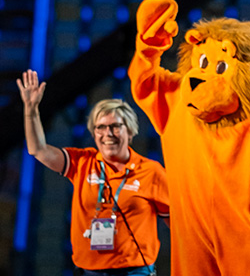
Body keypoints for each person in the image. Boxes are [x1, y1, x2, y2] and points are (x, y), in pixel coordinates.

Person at [17, 70, 169, 276]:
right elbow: (38, 150)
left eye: (115, 127)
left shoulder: (151, 171)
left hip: (135, 271)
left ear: (130, 131)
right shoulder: (82, 162)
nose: (108, 134)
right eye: (100, 128)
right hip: (88, 271)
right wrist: (31, 109)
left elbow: (178, 226)